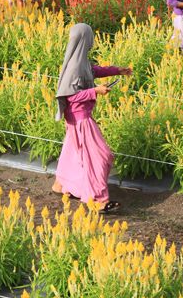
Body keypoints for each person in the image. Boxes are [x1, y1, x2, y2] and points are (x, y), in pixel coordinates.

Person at [52, 23, 132, 214]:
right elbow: (71, 96)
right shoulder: (74, 68)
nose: (92, 41)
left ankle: (61, 185)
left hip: (76, 119)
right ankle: (98, 200)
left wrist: (117, 70)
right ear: (84, 40)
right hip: (81, 120)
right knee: (100, 156)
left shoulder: (79, 62)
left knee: (74, 154)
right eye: (90, 37)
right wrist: (95, 91)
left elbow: (94, 70)